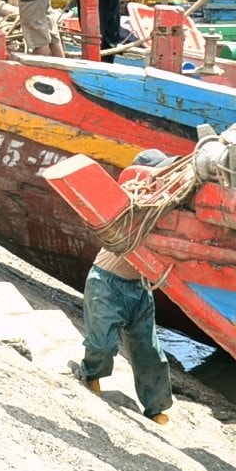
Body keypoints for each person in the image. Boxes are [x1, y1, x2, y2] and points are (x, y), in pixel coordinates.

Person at [79, 150, 175, 424]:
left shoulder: (166, 206)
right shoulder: (129, 205)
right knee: (103, 343)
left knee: (150, 352)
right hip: (106, 284)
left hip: (140, 289)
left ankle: (155, 407)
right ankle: (91, 376)